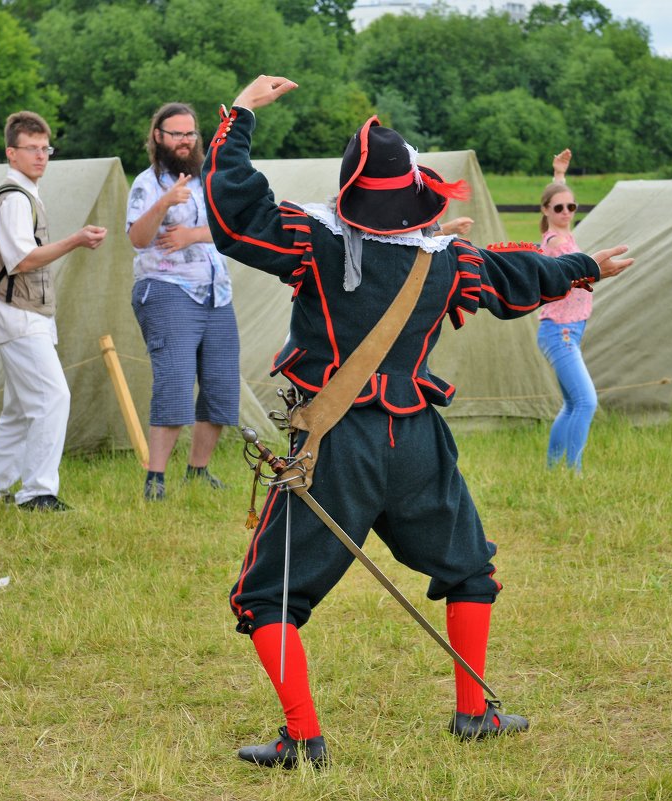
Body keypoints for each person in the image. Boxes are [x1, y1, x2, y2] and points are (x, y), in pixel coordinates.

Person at [203, 75, 633, 768]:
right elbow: (511, 277)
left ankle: (302, 739)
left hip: (334, 444)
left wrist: (241, 115)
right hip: (416, 442)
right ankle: (472, 714)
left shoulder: (312, 240)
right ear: (414, 199)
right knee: (468, 570)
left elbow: (232, 214)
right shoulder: (447, 260)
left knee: (266, 595)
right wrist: (584, 268)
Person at [0, 111, 108, 512]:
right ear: (12, 154)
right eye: (32, 149)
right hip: (18, 315)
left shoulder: (25, 194)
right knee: (52, 397)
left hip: (30, 316)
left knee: (18, 409)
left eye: (46, 148)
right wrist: (76, 240)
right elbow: (22, 260)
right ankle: (37, 492)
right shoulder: (13, 198)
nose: (42, 156)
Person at [126, 102, 239, 501]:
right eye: (176, 134)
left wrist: (192, 235)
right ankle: (155, 480)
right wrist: (163, 205)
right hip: (167, 289)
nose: (185, 141)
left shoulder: (209, 179)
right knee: (174, 383)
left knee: (222, 386)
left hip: (217, 293)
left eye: (190, 133)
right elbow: (138, 240)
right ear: (158, 137)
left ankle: (198, 471)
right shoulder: (147, 183)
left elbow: (231, 230)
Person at [536, 148, 598, 473]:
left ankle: (552, 470)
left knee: (573, 403)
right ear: (545, 211)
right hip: (559, 332)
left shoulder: (564, 232)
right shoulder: (554, 243)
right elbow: (569, 266)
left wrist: (559, 175)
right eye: (558, 208)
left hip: (570, 330)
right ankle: (572, 473)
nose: (565, 211)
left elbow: (557, 197)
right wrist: (599, 266)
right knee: (586, 402)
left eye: (571, 206)